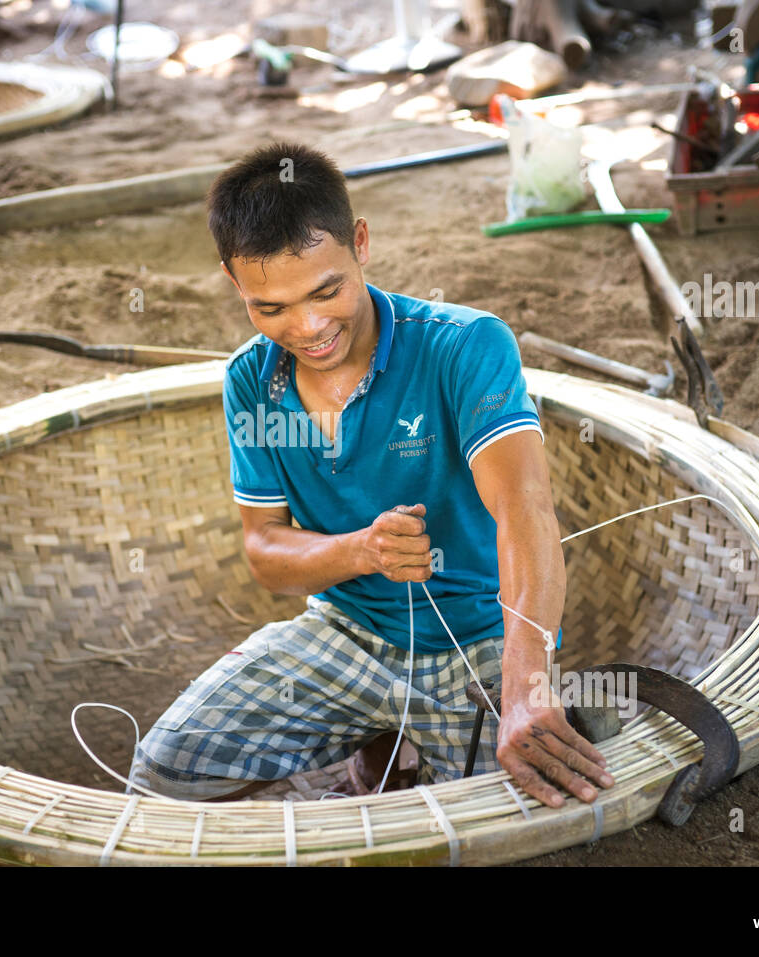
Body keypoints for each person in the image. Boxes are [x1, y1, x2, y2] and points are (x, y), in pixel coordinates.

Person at [129, 142, 616, 807]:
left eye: (326, 290)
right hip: (344, 631)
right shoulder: (251, 379)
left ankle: (393, 756)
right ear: (233, 281)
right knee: (167, 769)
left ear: (360, 243)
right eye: (270, 307)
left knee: (511, 806)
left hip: (477, 638)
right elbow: (266, 551)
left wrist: (526, 685)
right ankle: (382, 748)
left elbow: (526, 511)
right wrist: (362, 549)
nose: (307, 327)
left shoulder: (463, 345)